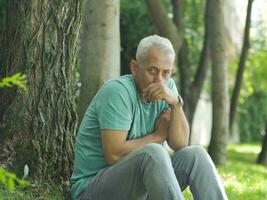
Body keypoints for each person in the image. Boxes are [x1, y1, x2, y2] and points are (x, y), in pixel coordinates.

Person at [71, 35, 228, 200]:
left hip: (139, 189)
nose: (159, 80)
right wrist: (157, 137)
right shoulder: (117, 92)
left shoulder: (168, 90)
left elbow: (180, 144)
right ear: (134, 67)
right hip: (91, 190)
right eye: (152, 70)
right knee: (153, 151)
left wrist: (176, 103)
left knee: (196, 155)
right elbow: (114, 155)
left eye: (166, 73)